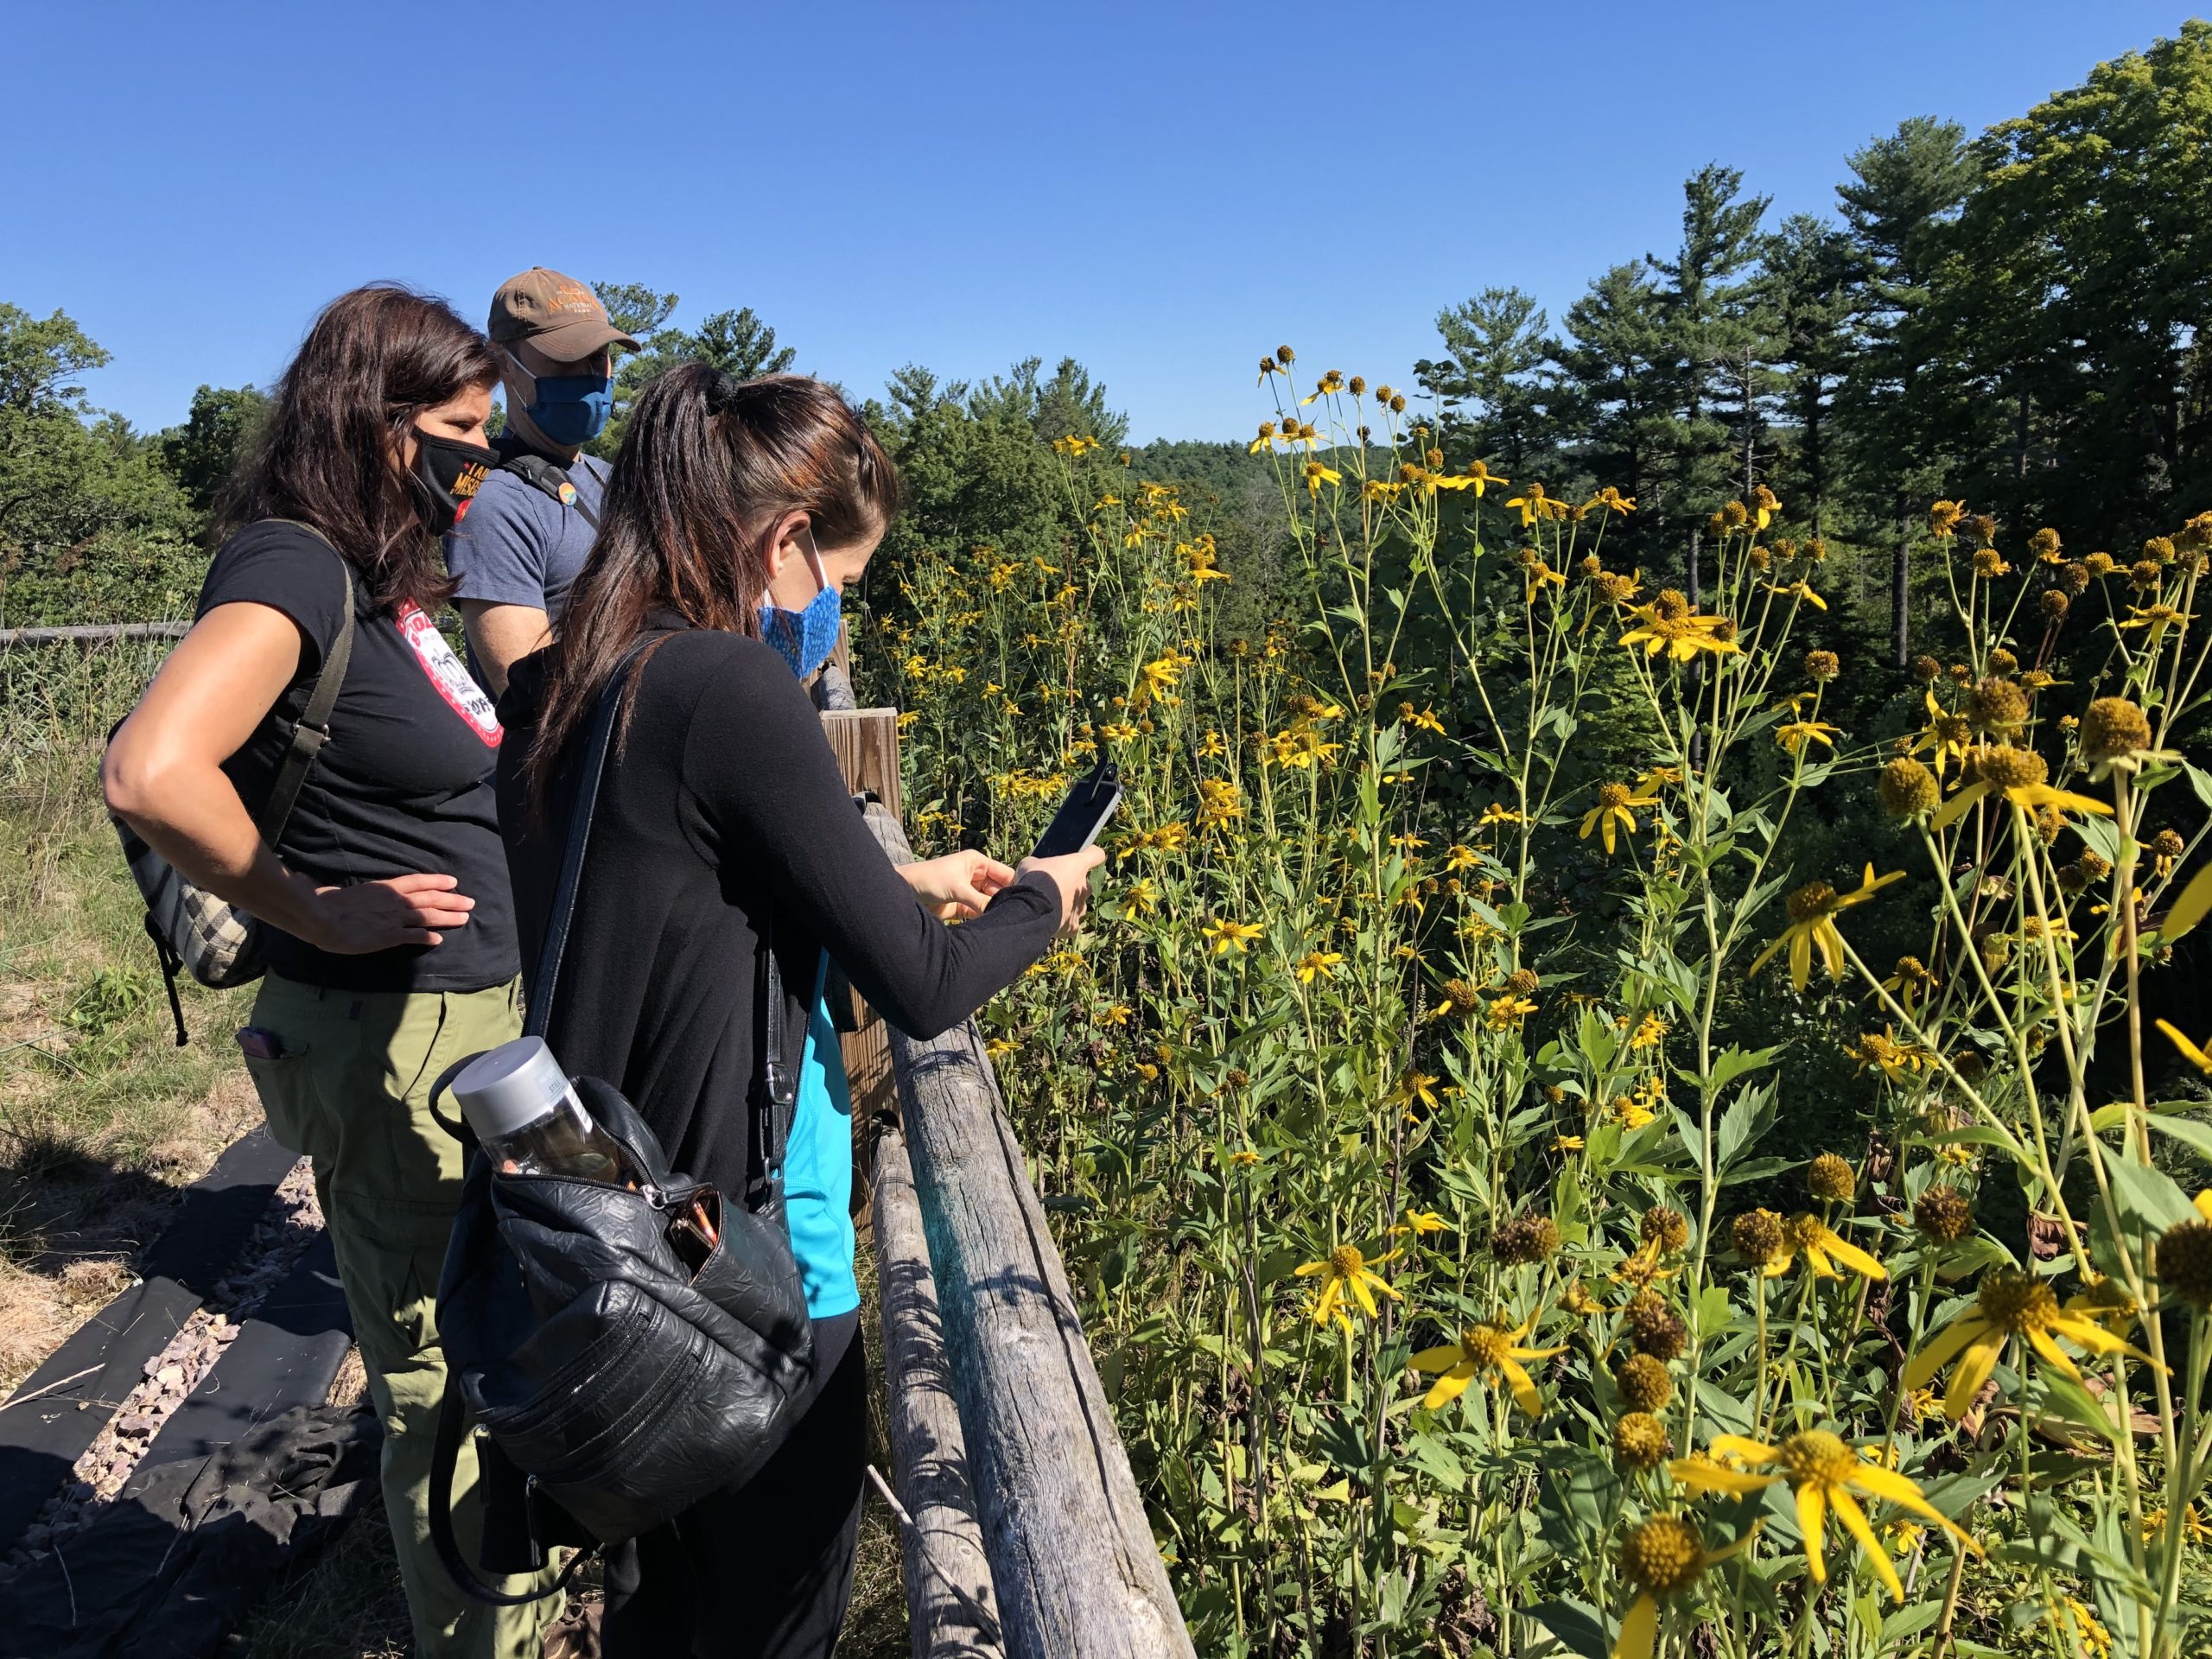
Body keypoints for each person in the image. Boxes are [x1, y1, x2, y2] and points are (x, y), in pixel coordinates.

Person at [494, 365, 1103, 1657]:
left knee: (659, 1606)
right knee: (775, 1617)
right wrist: (1041, 899)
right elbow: (924, 987)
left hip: (611, 1254)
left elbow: (679, 884)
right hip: (753, 1272)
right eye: (840, 582)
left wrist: (891, 875)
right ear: (781, 544)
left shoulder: (562, 684)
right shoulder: (728, 687)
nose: (830, 617)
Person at [103, 285, 560, 1659]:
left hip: (463, 1024)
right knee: (441, 1366)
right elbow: (151, 768)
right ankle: (481, 1639)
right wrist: (310, 904)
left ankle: (507, 1612)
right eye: (464, 431)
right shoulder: (294, 564)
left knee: (506, 1335)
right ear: (375, 425)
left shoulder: (382, 579)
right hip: (391, 1035)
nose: (483, 460)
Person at [447, 268, 638, 695]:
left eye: (598, 356)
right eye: (566, 359)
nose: (591, 376)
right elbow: (531, 700)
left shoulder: (612, 481)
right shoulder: (494, 504)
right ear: (503, 366)